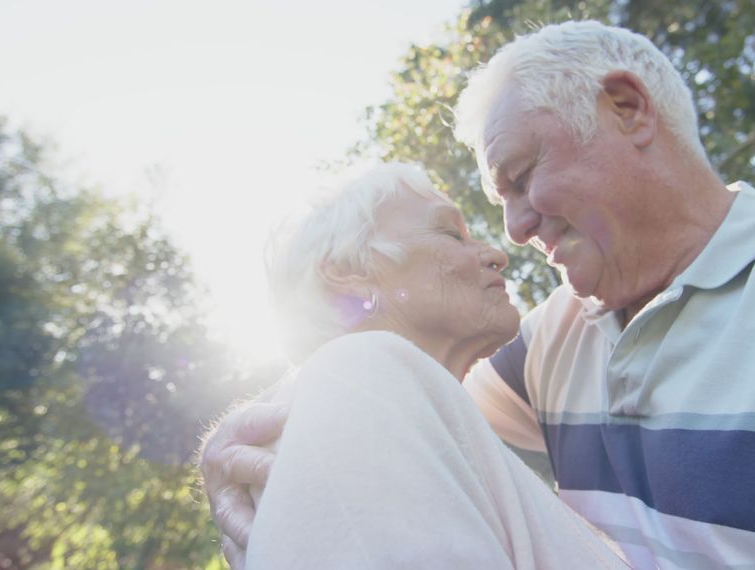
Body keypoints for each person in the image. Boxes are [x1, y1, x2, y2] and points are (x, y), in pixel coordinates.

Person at [202, 22, 755, 569]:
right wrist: (242, 446)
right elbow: (374, 418)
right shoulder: (551, 347)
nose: (509, 232)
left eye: (519, 178)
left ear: (627, 106)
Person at [219, 163, 630, 568]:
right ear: (349, 273)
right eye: (451, 233)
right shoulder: (352, 375)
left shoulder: (407, 407)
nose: (497, 254)